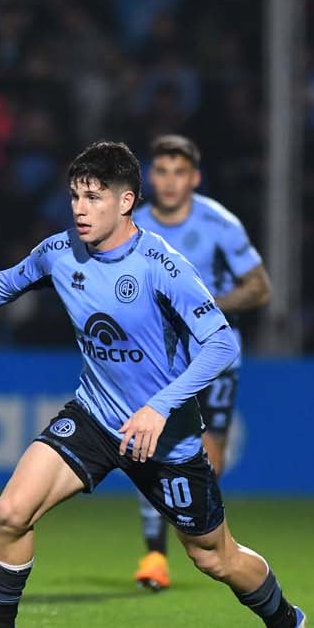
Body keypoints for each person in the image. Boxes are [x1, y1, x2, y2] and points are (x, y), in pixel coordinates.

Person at [0, 141, 306, 628]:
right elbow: (4, 283)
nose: (80, 208)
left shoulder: (162, 265)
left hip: (165, 435)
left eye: (94, 197)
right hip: (95, 416)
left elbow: (221, 345)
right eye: (75, 196)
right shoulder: (60, 252)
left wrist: (158, 407)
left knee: (211, 556)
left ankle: (284, 625)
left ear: (125, 202)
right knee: (12, 512)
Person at [129, 134, 271, 591]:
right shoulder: (133, 226)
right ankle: (154, 554)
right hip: (159, 360)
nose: (170, 182)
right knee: (151, 447)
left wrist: (204, 306)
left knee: (210, 461)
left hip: (214, 356)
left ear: (195, 178)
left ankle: (201, 539)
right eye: (162, 171)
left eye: (179, 173)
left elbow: (260, 288)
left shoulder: (219, 224)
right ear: (151, 177)